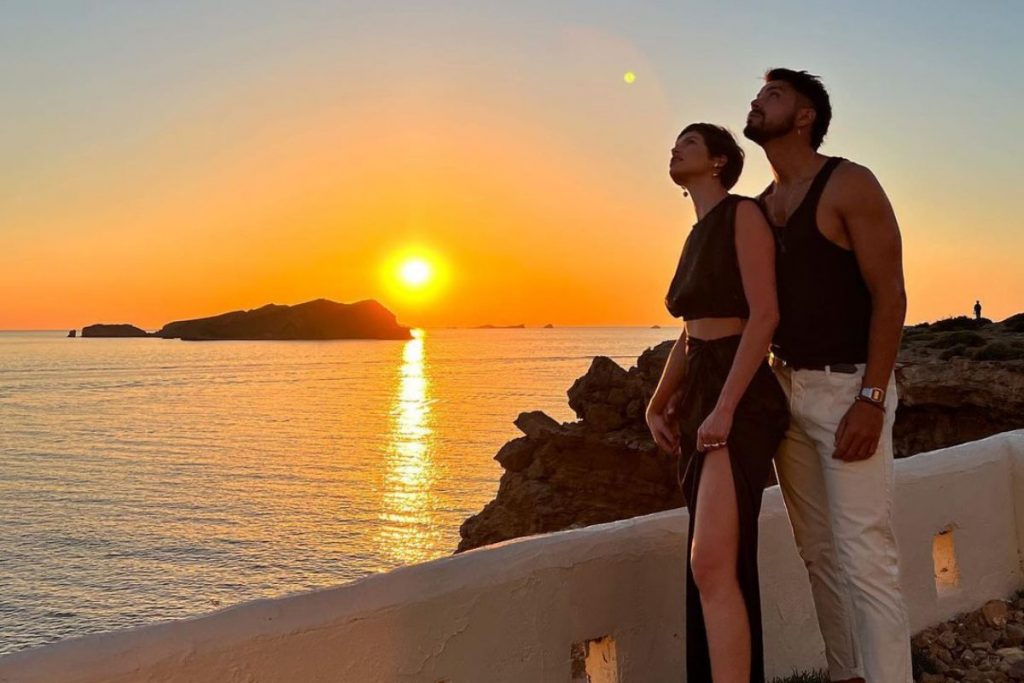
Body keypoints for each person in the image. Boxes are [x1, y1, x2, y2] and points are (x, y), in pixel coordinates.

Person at [743, 68, 911, 683]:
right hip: (785, 388)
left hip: (848, 389)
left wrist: (872, 399)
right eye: (757, 93)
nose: (757, 101)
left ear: (805, 115)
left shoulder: (849, 183)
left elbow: (890, 296)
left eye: (773, 94)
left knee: (867, 557)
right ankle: (849, 675)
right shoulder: (759, 207)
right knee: (817, 553)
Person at [646, 122, 789, 682]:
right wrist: (658, 402)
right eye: (674, 142)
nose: (675, 148)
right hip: (704, 389)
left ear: (718, 162)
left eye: (689, 142)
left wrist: (726, 407)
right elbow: (691, 333)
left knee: (711, 562)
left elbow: (765, 316)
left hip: (740, 392)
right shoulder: (696, 234)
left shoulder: (742, 214)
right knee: (711, 564)